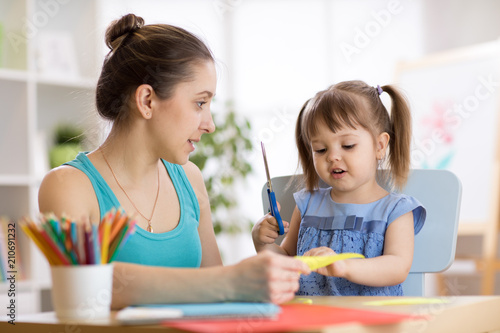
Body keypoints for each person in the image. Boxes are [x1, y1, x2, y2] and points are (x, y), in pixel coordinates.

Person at [38, 13, 310, 309]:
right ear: (147, 101)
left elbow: (217, 295)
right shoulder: (69, 185)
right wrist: (231, 280)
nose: (210, 124)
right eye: (200, 103)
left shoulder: (190, 178)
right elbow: (85, 286)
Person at [252, 81, 426, 296]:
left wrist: (344, 266)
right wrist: (261, 243)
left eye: (348, 146)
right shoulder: (308, 204)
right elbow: (287, 260)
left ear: (379, 146)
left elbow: (397, 267)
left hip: (371, 322)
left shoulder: (396, 210)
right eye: (321, 149)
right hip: (313, 320)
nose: (333, 156)